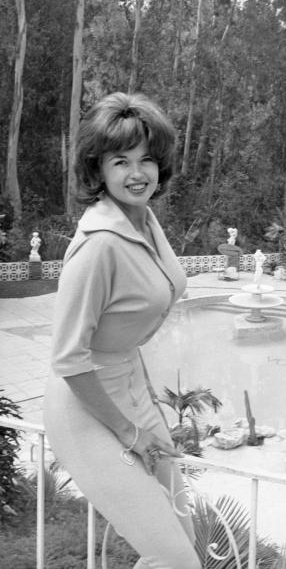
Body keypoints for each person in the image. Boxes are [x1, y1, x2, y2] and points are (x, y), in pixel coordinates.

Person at [43, 92, 200, 569]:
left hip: (132, 394)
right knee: (175, 559)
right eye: (122, 161)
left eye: (148, 159)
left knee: (184, 541)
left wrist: (146, 410)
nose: (138, 173)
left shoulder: (145, 220)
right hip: (86, 409)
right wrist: (129, 433)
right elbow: (69, 359)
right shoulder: (99, 247)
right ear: (99, 170)